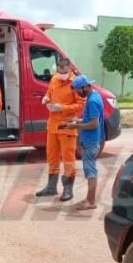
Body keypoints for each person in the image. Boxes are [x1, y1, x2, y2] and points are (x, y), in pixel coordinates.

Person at [34, 58, 85, 201]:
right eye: (60, 71)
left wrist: (63, 107)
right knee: (52, 157)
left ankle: (68, 190)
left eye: (64, 72)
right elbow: (50, 92)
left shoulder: (76, 83)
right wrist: (46, 98)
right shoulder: (54, 79)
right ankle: (51, 187)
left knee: (68, 159)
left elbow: (81, 104)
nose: (62, 74)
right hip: (53, 126)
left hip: (67, 126)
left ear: (69, 69)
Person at [62, 75, 104, 210]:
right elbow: (89, 120)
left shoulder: (92, 101)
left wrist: (75, 126)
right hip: (89, 140)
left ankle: (91, 201)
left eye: (78, 90)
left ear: (86, 86)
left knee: (91, 172)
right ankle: (89, 199)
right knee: (90, 171)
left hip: (91, 141)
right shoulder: (92, 97)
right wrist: (76, 121)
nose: (78, 93)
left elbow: (94, 124)